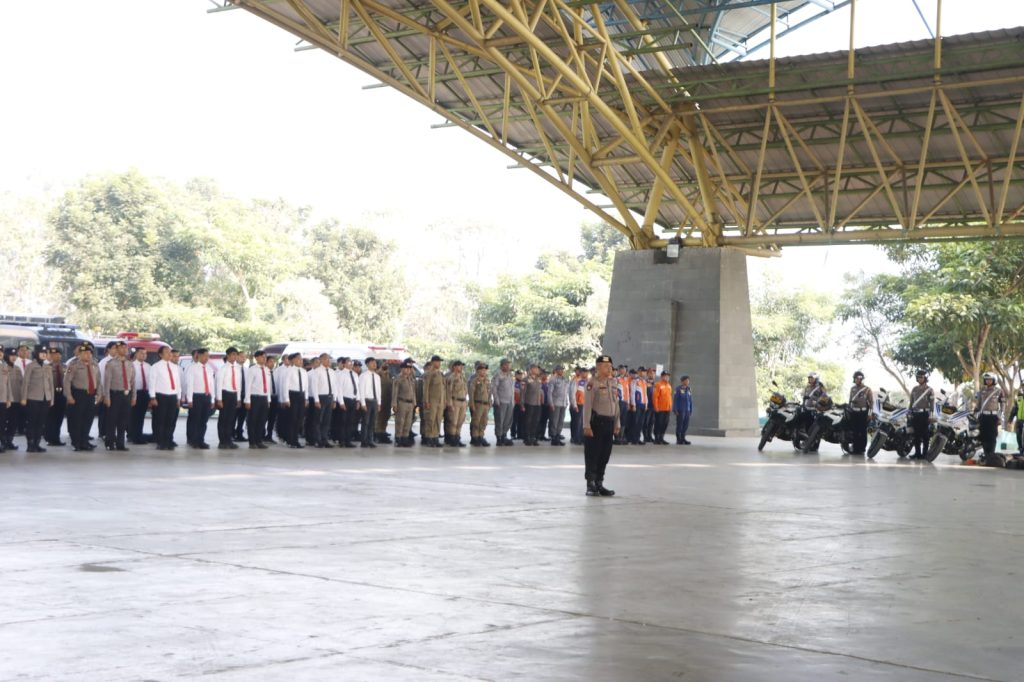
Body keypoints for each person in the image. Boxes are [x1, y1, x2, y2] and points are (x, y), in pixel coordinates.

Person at [583, 354, 620, 496]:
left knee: (605, 455)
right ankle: (590, 484)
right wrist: (586, 426)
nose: (609, 368)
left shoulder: (613, 383)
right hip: (596, 423)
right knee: (593, 454)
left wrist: (617, 422)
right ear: (598, 367)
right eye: (606, 366)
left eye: (610, 366)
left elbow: (616, 405)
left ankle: (599, 483)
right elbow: (587, 406)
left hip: (609, 424)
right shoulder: (592, 383)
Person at [64, 342, 100, 451]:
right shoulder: (73, 365)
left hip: (91, 395)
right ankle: (76, 443)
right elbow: (67, 381)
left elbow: (98, 381)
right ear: (79, 355)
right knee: (77, 420)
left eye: (89, 353)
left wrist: (99, 394)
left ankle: (85, 441)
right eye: (84, 353)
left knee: (88, 419)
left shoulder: (95, 364)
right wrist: (69, 396)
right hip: (78, 394)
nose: (87, 355)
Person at [101, 341, 135, 451]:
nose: (125, 350)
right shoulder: (111, 363)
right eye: (122, 348)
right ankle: (109, 443)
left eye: (126, 348)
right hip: (115, 394)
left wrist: (134, 397)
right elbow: (107, 382)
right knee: (112, 420)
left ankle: (121, 444)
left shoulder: (130, 363)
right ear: (117, 349)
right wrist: (107, 397)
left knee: (123, 420)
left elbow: (133, 382)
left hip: (127, 395)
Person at [21, 345, 55, 452]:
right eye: (42, 353)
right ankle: (30, 444)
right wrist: (24, 398)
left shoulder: (47, 367)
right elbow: (25, 383)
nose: (44, 355)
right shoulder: (30, 366)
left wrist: (52, 398)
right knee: (32, 422)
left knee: (41, 422)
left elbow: (51, 384)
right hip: (33, 398)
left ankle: (37, 443)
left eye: (45, 353)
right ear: (36, 354)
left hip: (45, 398)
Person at [149, 346, 182, 451]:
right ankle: (161, 442)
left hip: (172, 396)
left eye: (170, 352)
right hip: (161, 396)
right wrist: (152, 397)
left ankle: (168, 441)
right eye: (166, 352)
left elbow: (177, 383)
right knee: (160, 420)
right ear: (160, 354)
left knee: (170, 420)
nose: (169, 354)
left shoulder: (174, 367)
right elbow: (152, 383)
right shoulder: (156, 366)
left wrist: (178, 398)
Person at [185, 348, 215, 449]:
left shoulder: (209, 369)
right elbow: (190, 385)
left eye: (208, 356)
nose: (207, 358)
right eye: (205, 356)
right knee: (195, 420)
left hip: (207, 396)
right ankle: (193, 441)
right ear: (199, 355)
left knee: (204, 420)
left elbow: (211, 385)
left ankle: (201, 440)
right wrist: (189, 399)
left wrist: (212, 399)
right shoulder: (192, 368)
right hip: (196, 396)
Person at [242, 350, 272, 450]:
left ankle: (259, 441)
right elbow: (248, 385)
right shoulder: (252, 369)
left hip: (264, 398)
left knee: (262, 420)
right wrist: (247, 400)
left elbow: (268, 386)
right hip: (254, 398)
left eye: (265, 357)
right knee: (252, 420)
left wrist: (268, 399)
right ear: (257, 358)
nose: (264, 359)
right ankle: (252, 441)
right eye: (262, 357)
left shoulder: (267, 370)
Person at [974, 371, 1005, 467]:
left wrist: (1000, 416)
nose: (988, 381)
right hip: (983, 417)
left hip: (993, 417)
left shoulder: (999, 391)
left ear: (994, 380)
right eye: (986, 379)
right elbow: (978, 403)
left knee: (992, 437)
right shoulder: (982, 390)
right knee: (983, 437)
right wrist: (975, 413)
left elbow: (1003, 405)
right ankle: (987, 457)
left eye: (990, 380)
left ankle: (991, 457)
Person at [307, 353, 335, 448]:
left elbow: (334, 386)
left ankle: (324, 439)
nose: (329, 361)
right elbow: (314, 386)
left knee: (327, 421)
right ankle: (317, 440)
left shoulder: (332, 371)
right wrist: (316, 400)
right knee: (318, 420)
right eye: (326, 359)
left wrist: (334, 399)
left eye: (329, 359)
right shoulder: (317, 371)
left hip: (329, 397)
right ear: (322, 360)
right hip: (320, 397)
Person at [282, 353, 307, 448]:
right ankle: (290, 440)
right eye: (298, 359)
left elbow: (306, 386)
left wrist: (306, 398)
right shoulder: (289, 371)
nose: (301, 361)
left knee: (299, 419)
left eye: (301, 359)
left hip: (301, 395)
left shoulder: (303, 371)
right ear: (292, 360)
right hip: (292, 395)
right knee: (292, 419)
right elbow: (285, 386)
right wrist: (286, 399)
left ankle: (295, 439)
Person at [908, 369, 934, 460]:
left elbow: (932, 404)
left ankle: (925, 454)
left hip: (924, 414)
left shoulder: (929, 390)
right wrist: (909, 411)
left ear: (925, 378)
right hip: (915, 414)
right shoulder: (914, 389)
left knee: (925, 435)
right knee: (916, 435)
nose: (919, 379)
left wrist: (931, 416)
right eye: (918, 377)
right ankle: (917, 453)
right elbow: (911, 402)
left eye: (921, 377)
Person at [420, 355, 445, 447]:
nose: (439, 363)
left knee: (438, 420)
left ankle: (435, 438)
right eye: (437, 361)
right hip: (432, 401)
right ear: (433, 362)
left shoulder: (440, 374)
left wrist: (444, 402)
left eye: (439, 362)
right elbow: (425, 389)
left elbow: (443, 390)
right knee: (430, 420)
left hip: (440, 401)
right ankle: (429, 438)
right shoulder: (428, 374)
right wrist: (426, 401)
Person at [847, 371, 874, 455]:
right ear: (854, 379)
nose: (857, 380)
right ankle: (855, 448)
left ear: (862, 379)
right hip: (854, 412)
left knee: (862, 431)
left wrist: (870, 414)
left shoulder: (867, 389)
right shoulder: (852, 389)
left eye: (859, 378)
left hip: (863, 412)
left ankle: (862, 449)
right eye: (856, 378)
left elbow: (871, 402)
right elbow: (850, 401)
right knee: (855, 431)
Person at [45, 346, 67, 446]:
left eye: (57, 354)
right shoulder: (47, 367)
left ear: (61, 356)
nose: (55, 356)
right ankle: (50, 438)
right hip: (52, 394)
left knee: (59, 417)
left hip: (62, 394)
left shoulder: (65, 367)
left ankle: (56, 438)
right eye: (53, 354)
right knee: (51, 417)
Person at [392, 360, 417, 447]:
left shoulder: (410, 379)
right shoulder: (398, 379)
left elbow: (413, 392)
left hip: (410, 403)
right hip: (401, 402)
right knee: (400, 421)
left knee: (408, 422)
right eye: (406, 368)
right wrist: (394, 404)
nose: (408, 370)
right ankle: (398, 438)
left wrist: (414, 402)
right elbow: (395, 392)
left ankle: (405, 438)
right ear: (402, 369)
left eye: (409, 368)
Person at [336, 357, 360, 448]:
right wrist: (341, 402)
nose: (351, 364)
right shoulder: (341, 374)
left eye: (351, 362)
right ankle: (341, 440)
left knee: (351, 422)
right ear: (344, 364)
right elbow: (339, 389)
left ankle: (348, 440)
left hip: (353, 400)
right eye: (349, 362)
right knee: (343, 421)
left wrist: (358, 400)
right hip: (345, 399)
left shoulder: (355, 374)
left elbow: (357, 389)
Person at [490, 359, 515, 446]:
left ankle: (504, 436)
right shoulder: (498, 375)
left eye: (508, 364)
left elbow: (512, 389)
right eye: (505, 365)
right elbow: (494, 388)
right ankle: (499, 438)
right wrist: (497, 400)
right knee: (500, 420)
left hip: (510, 401)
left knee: (508, 420)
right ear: (501, 366)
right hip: (501, 401)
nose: (507, 366)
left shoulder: (510, 375)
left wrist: (513, 401)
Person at [128, 348, 150, 444]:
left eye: (145, 353)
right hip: (134, 392)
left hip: (145, 393)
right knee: (133, 416)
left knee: (141, 416)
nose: (144, 355)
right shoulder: (131, 365)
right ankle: (132, 436)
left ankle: (138, 435)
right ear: (136, 354)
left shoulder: (148, 366)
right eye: (141, 353)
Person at [359, 357, 382, 448]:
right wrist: (363, 403)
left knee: (372, 422)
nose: (374, 364)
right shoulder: (363, 376)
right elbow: (361, 390)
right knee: (365, 422)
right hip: (367, 401)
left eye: (375, 362)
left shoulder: (377, 377)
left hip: (375, 401)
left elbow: (379, 391)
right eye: (372, 362)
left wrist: (379, 403)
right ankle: (363, 441)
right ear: (367, 364)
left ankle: (370, 440)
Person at [444, 360, 468, 447]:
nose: (461, 367)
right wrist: (449, 404)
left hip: (462, 401)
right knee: (453, 422)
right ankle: (452, 439)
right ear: (454, 367)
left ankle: (457, 438)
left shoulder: (462, 377)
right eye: (459, 366)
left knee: (460, 421)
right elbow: (449, 392)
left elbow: (465, 390)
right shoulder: (451, 378)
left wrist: (466, 402)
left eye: (462, 366)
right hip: (455, 401)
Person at [468, 361, 491, 446]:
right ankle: (475, 437)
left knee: (484, 422)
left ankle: (481, 436)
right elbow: (471, 393)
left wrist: (489, 403)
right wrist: (472, 404)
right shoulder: (474, 381)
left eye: (485, 370)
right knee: (476, 422)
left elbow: (489, 393)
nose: (484, 372)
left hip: (485, 404)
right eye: (482, 370)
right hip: (478, 404)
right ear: (478, 371)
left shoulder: (487, 380)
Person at [4, 348, 24, 449]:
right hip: (6, 400)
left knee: (14, 422)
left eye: (15, 355)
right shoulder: (3, 368)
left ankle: (9, 441)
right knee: (3, 422)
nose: (13, 357)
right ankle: (3, 442)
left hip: (16, 399)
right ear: (6, 356)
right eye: (11, 355)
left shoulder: (17, 369)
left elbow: (22, 384)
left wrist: (22, 398)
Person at [548, 365, 570, 446]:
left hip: (563, 403)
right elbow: (549, 392)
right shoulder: (553, 379)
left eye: (562, 369)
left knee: (561, 421)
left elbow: (566, 392)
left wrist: (567, 402)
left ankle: (558, 435)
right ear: (556, 370)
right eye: (560, 369)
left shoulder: (565, 379)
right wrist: (551, 403)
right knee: (554, 421)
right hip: (556, 403)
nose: (561, 371)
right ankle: (553, 437)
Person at [521, 365, 543, 446]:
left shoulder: (538, 379)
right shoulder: (525, 379)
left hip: (537, 403)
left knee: (536, 421)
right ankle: (527, 438)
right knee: (528, 421)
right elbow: (522, 393)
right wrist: (522, 404)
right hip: (529, 403)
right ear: (531, 370)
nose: (538, 370)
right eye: (536, 369)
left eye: (538, 369)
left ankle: (533, 437)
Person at [652, 371, 673, 445]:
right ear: (662, 377)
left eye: (668, 376)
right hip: (660, 408)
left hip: (667, 408)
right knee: (658, 423)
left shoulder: (669, 386)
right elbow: (655, 397)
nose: (667, 377)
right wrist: (656, 407)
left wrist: (670, 406)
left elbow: (669, 397)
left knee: (665, 423)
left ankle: (661, 437)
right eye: (665, 376)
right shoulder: (658, 384)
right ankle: (657, 438)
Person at [374, 361, 393, 444]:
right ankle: (377, 434)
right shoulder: (377, 374)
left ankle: (383, 432)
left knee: (385, 417)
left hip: (387, 400)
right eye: (384, 363)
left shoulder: (388, 374)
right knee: (378, 418)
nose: (386, 365)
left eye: (387, 363)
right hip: (380, 399)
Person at [627, 369, 647, 445]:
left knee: (640, 423)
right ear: (639, 372)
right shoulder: (634, 381)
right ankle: (633, 439)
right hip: (637, 404)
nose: (643, 373)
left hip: (643, 404)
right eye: (642, 371)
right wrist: (633, 405)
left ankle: (638, 438)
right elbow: (632, 393)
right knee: (635, 422)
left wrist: (646, 404)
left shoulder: (644, 382)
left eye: (644, 372)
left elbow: (645, 394)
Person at [233, 350, 248, 442]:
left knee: (242, 417)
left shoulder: (247, 370)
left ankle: (239, 434)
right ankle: (231, 434)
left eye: (245, 357)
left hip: (244, 396)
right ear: (237, 357)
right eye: (241, 356)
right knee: (233, 417)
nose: (244, 358)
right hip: (234, 396)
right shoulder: (233, 368)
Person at [673, 375, 693, 445]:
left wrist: (691, 409)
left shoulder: (689, 389)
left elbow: (690, 400)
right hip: (680, 410)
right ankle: (678, 439)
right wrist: (675, 409)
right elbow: (675, 400)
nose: (688, 382)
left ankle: (683, 438)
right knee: (680, 424)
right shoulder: (678, 389)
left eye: (688, 380)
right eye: (686, 380)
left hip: (687, 410)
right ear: (682, 381)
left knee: (685, 425)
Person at [264, 355, 279, 444]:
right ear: (266, 362)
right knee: (264, 417)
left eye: (273, 362)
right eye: (270, 361)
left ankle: (269, 435)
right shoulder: (263, 372)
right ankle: (261, 435)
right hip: (266, 398)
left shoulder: (275, 372)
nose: (272, 363)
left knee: (272, 418)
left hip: (275, 397)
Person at [0, 346, 11, 453]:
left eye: (1, 352)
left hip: (2, 399)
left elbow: (8, 384)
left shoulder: (5, 365)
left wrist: (9, 398)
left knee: (2, 422)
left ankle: (2, 443)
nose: (0, 353)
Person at [1009, 387, 1024, 458]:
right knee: (1018, 435)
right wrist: (1010, 419)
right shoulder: (1019, 398)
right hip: (1019, 420)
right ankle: (1020, 449)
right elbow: (1014, 409)